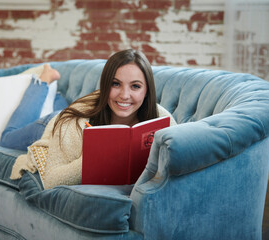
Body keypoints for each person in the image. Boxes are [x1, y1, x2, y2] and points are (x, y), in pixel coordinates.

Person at [9, 49, 176, 190]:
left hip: (75, 111)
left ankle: (56, 95)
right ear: (104, 85)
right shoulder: (73, 122)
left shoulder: (159, 116)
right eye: (115, 84)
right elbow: (52, 180)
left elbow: (179, 151)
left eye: (135, 86)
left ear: (147, 91)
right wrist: (96, 158)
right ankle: (43, 82)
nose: (125, 95)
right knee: (7, 136)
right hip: (53, 124)